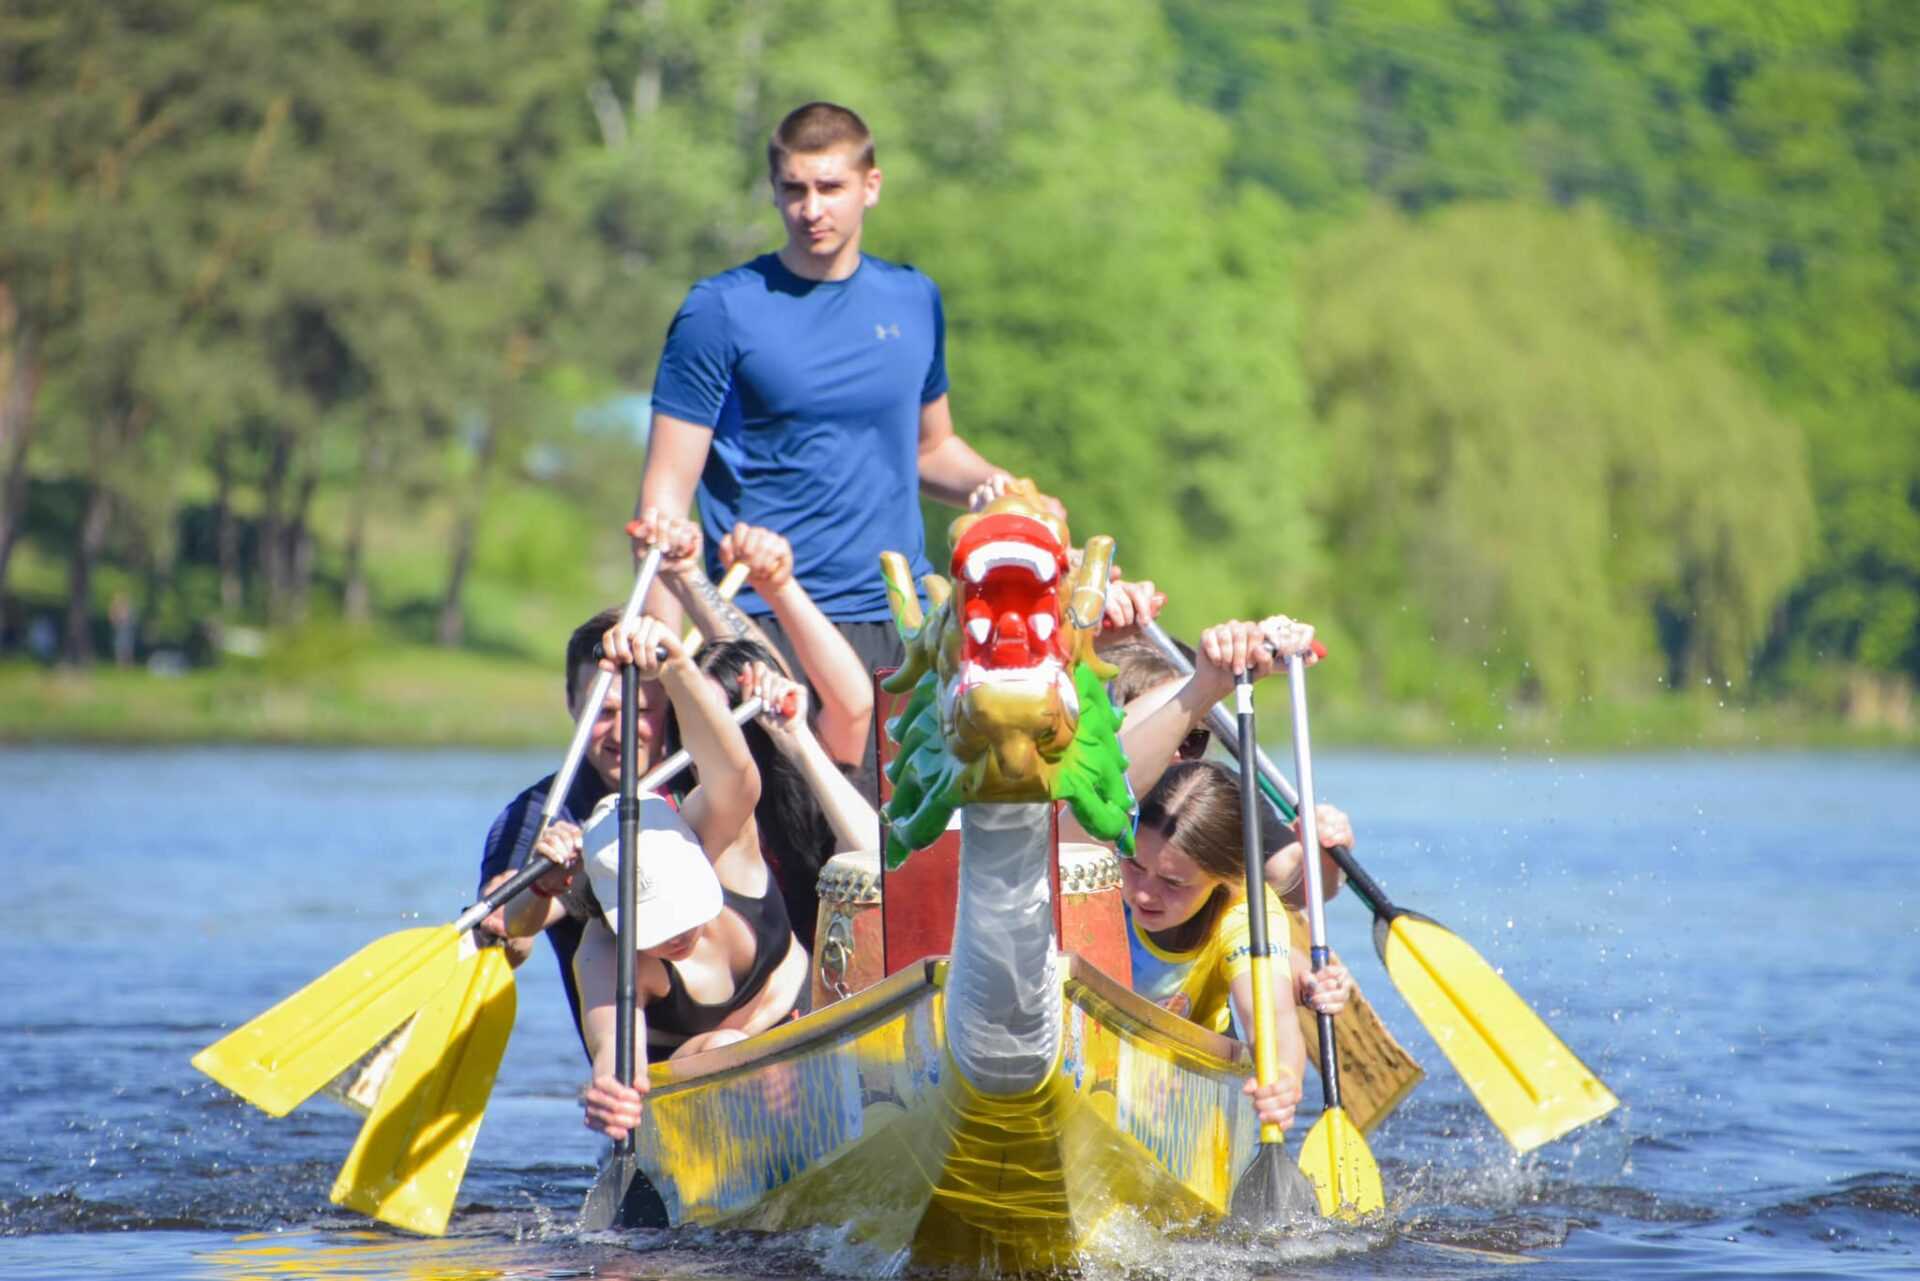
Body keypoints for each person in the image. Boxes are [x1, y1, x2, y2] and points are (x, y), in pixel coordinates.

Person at [634, 101, 1032, 780]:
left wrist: (1001, 488)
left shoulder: (913, 299)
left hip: (895, 627)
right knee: (766, 869)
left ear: (870, 185)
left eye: (830, 187)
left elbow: (930, 448)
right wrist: (657, 662)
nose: (810, 208)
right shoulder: (720, 309)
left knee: (881, 866)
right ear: (775, 190)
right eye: (794, 189)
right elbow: (666, 495)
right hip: (753, 625)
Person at [499, 617, 796, 1142]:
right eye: (654, 922)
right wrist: (613, 1092)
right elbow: (619, 1051)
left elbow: (735, 773)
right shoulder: (604, 951)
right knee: (728, 1046)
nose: (677, 935)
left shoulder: (722, 838)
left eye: (682, 907)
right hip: (714, 1074)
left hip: (804, 1028)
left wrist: (678, 666)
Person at [474, 604, 674, 1053]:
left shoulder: (708, 780)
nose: (622, 733)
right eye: (603, 711)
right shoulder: (535, 815)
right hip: (633, 1067)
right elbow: (511, 943)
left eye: (642, 709)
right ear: (571, 704)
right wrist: (506, 922)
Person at [1122, 757, 1348, 1134]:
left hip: (1188, 1071)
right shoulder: (1095, 874)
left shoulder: (1246, 913)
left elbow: (1270, 1017)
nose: (1144, 893)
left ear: (1224, 878)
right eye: (1133, 865)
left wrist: (1283, 1077)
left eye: (1173, 882)